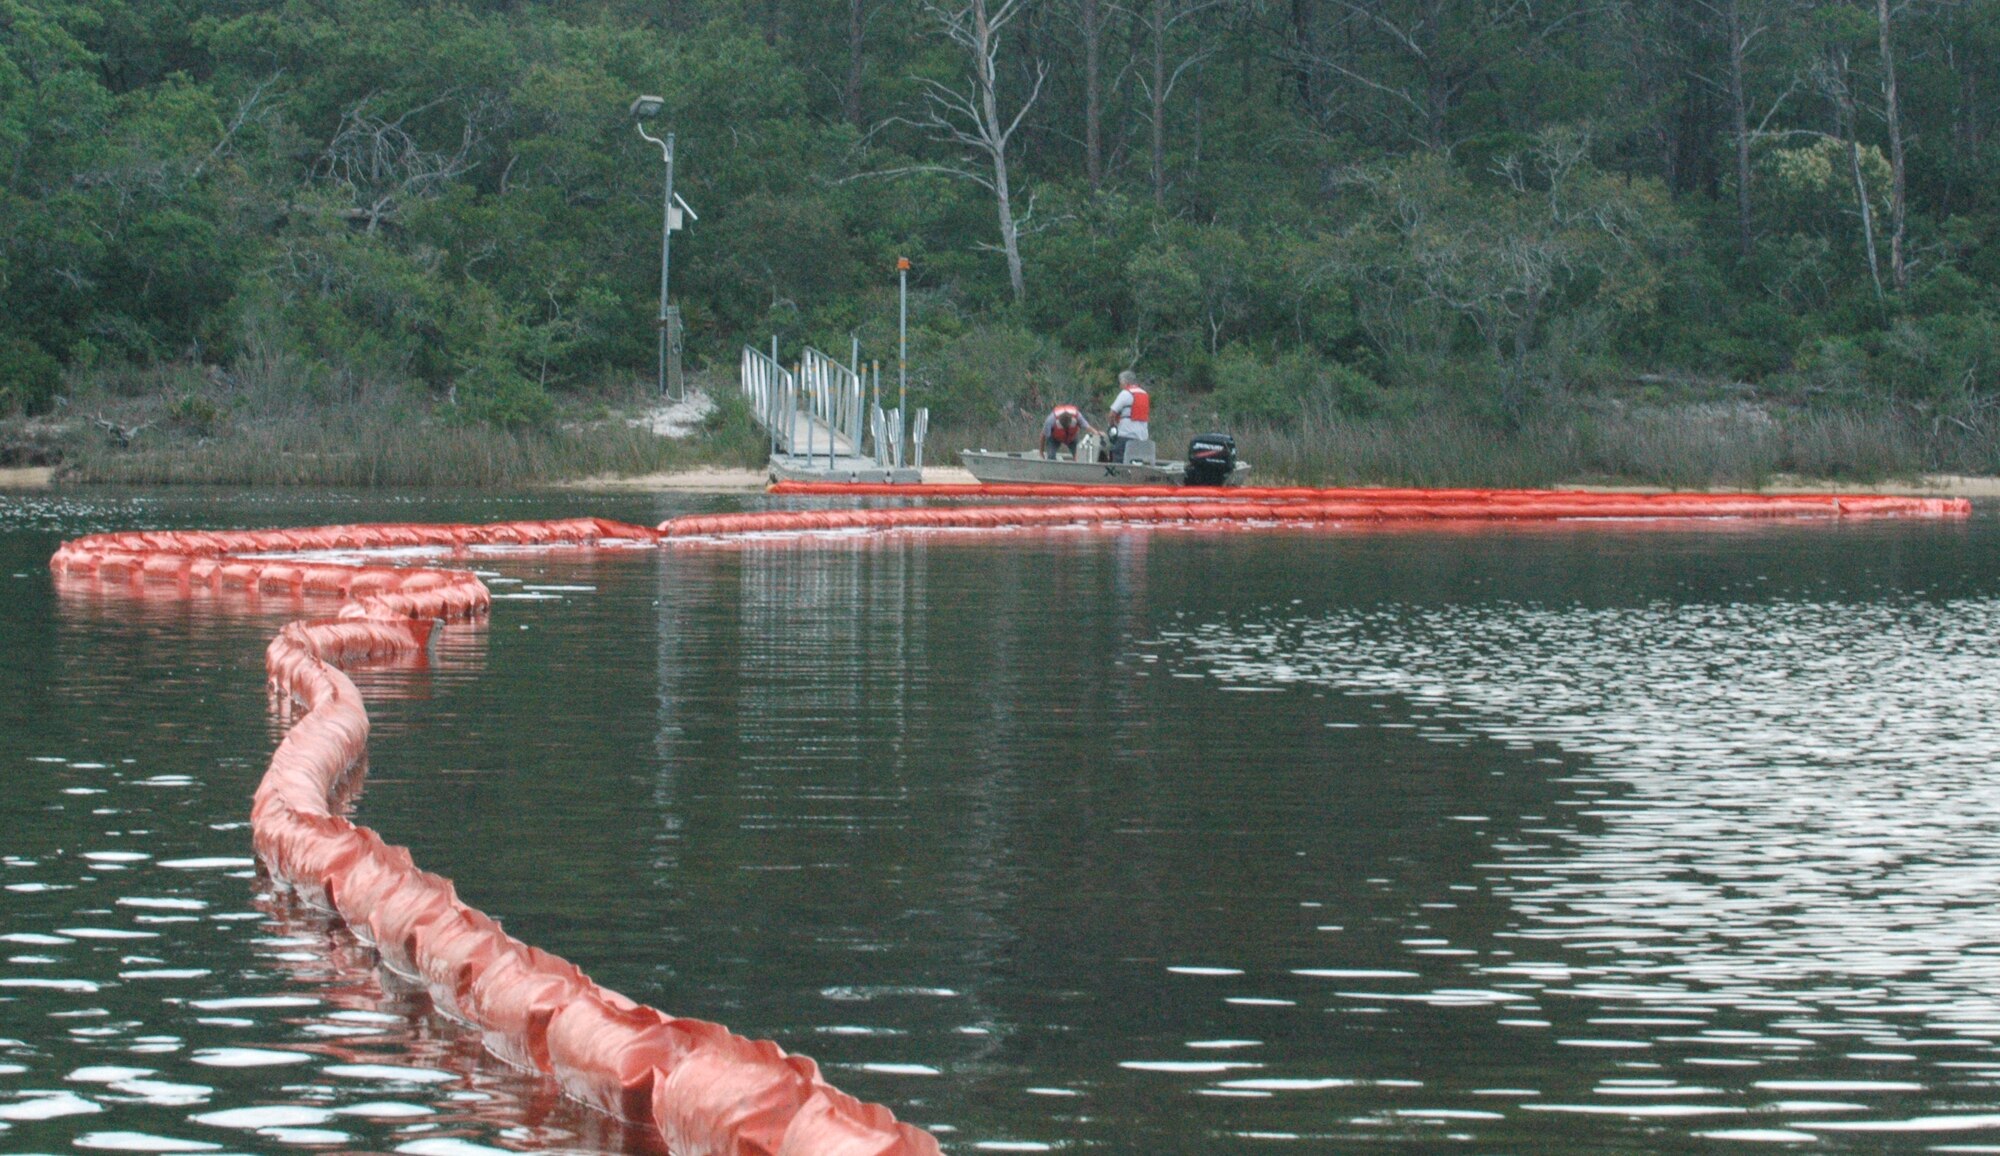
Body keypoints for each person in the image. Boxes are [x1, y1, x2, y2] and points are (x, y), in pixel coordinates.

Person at [1106, 369, 1150, 462]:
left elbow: (1112, 413)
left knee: (1117, 457)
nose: (1120, 385)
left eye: (1120, 382)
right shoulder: (1144, 394)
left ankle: (1118, 476)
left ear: (1125, 382)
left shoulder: (1126, 393)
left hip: (1126, 435)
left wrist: (1111, 427)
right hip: (1142, 436)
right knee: (1137, 461)